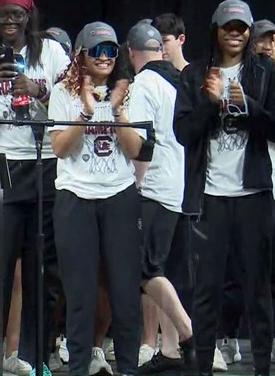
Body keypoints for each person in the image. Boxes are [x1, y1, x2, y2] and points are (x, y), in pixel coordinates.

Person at [173, 0, 275, 376]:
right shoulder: (195, 75)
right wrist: (209, 103)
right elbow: (183, 134)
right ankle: (202, 369)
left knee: (258, 291)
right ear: (216, 31)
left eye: (242, 27)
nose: (235, 33)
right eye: (228, 27)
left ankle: (261, 371)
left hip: (254, 196)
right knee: (206, 294)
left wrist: (250, 105)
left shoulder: (265, 71)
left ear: (250, 31)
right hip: (210, 198)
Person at [0, 0, 70, 375]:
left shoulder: (53, 53)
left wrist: (39, 92)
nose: (11, 21)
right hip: (3, 168)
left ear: (30, 17)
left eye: (18, 14)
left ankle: (36, 356)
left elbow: (69, 104)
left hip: (44, 166)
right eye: (3, 14)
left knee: (43, 273)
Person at [48, 21, 143, 376]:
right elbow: (60, 147)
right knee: (80, 293)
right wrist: (87, 111)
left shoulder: (127, 90)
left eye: (110, 51)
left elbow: (137, 150)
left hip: (119, 194)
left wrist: (116, 109)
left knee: (124, 291)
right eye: (96, 51)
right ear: (81, 55)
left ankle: (130, 369)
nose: (104, 58)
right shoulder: (63, 92)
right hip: (75, 196)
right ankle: (78, 367)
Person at [118, 23, 196, 375]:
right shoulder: (177, 82)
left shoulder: (143, 85)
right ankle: (170, 350)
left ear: (130, 53)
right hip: (178, 187)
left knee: (145, 269)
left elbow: (140, 143)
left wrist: (134, 185)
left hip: (152, 188)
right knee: (162, 269)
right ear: (160, 51)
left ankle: (189, 335)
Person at [216, 19, 275, 367]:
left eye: (270, 42)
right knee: (233, 268)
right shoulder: (247, 76)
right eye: (260, 42)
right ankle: (227, 336)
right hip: (243, 184)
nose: (264, 48)